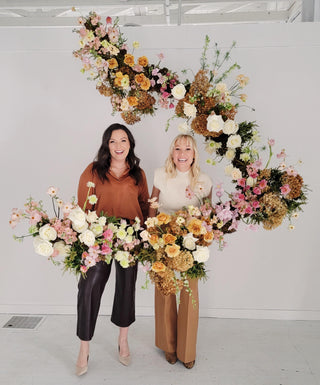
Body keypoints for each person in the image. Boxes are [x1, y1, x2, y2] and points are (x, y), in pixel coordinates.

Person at [75, 123, 149, 375]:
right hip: (99, 235)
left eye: (123, 140)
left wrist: (145, 237)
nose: (119, 146)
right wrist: (85, 236)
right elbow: (82, 205)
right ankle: (84, 348)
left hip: (130, 236)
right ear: (106, 145)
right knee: (89, 287)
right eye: (113, 141)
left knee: (126, 287)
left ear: (130, 144)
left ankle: (123, 340)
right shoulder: (94, 170)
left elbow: (144, 206)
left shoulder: (138, 174)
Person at [149, 134, 212, 369]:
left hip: (191, 241)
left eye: (187, 149)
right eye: (177, 149)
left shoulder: (204, 181)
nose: (182, 154)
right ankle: (169, 346)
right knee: (165, 291)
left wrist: (200, 240)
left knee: (190, 293)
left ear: (194, 153)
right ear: (171, 152)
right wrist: (151, 238)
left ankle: (187, 351)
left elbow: (208, 217)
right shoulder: (160, 175)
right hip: (163, 238)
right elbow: (152, 208)